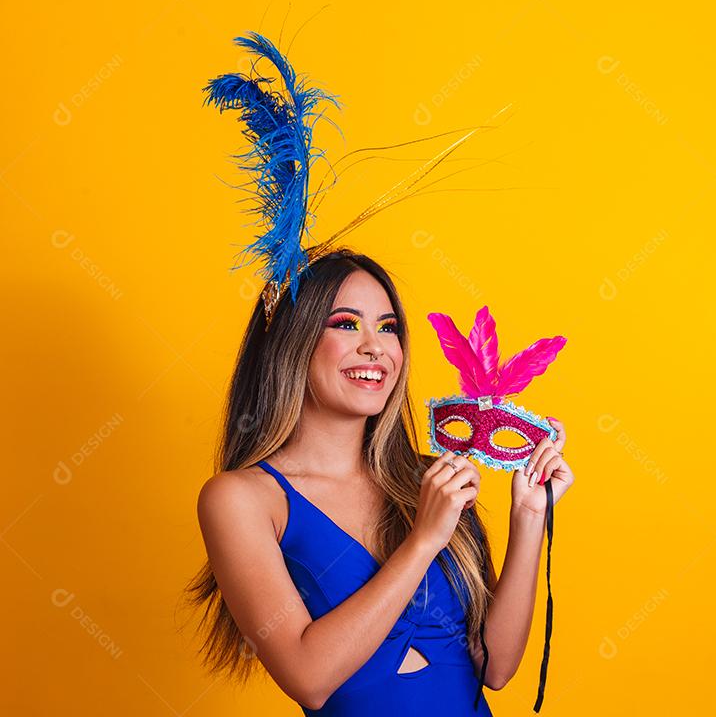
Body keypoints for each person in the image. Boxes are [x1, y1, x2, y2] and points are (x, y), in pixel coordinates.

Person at [184, 249, 575, 714]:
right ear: (293, 340)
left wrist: (529, 515)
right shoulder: (241, 499)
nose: (376, 347)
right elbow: (308, 678)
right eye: (347, 324)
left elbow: (496, 666)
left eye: (388, 328)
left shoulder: (430, 479)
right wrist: (424, 540)